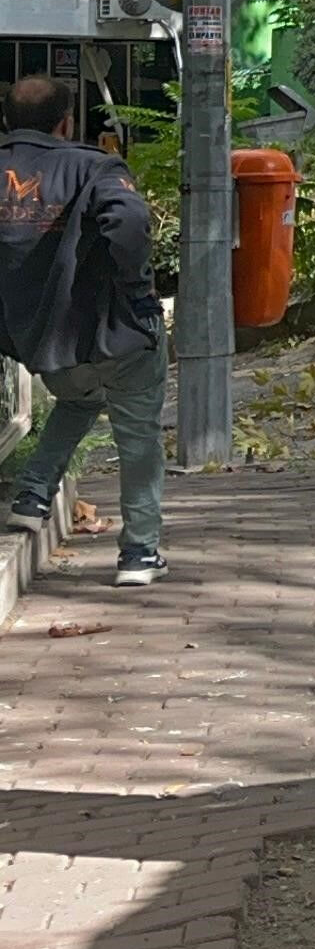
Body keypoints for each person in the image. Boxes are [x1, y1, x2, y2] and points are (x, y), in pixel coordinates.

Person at [0, 75, 168, 585]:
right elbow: (130, 222)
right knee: (137, 435)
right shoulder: (93, 166)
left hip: (42, 345)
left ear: (7, 121)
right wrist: (135, 288)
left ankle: (31, 493)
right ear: (66, 121)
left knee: (78, 398)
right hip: (111, 330)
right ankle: (139, 554)